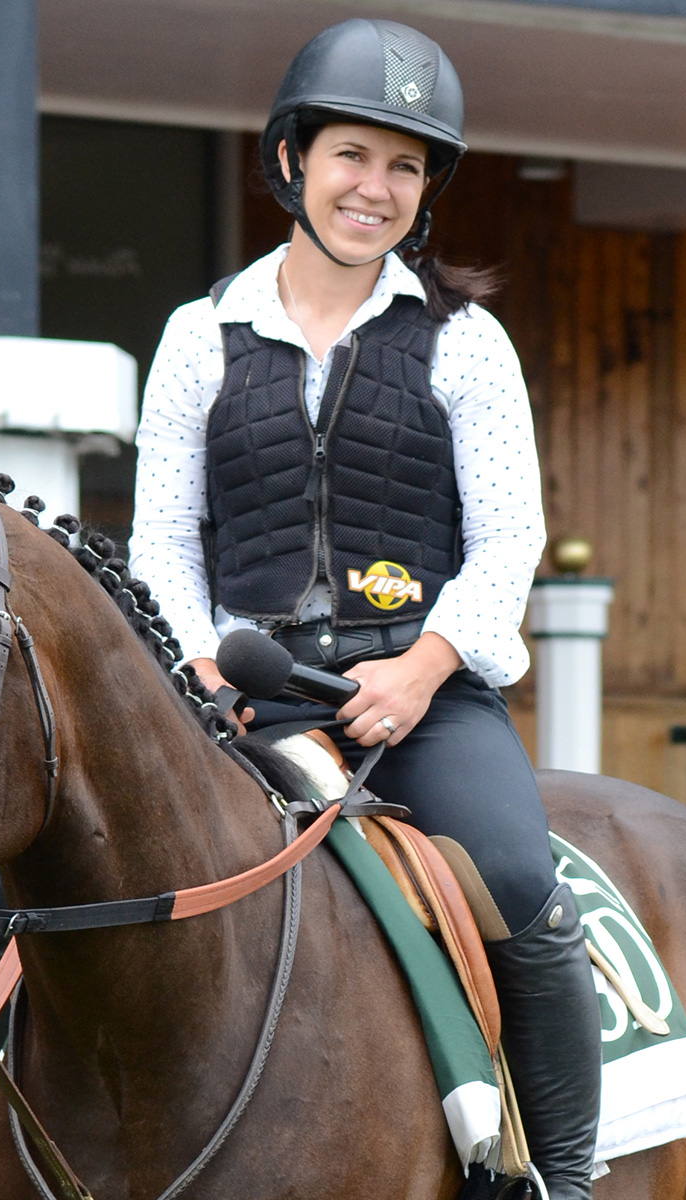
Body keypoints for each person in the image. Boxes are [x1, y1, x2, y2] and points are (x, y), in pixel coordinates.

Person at [128, 19, 600, 1198]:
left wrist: (425, 667)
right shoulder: (197, 338)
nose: (374, 189)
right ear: (292, 159)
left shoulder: (466, 342)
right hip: (244, 693)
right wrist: (202, 670)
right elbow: (161, 541)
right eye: (352, 155)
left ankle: (563, 1180)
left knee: (520, 883)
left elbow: (510, 540)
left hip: (422, 694)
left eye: (405, 166)